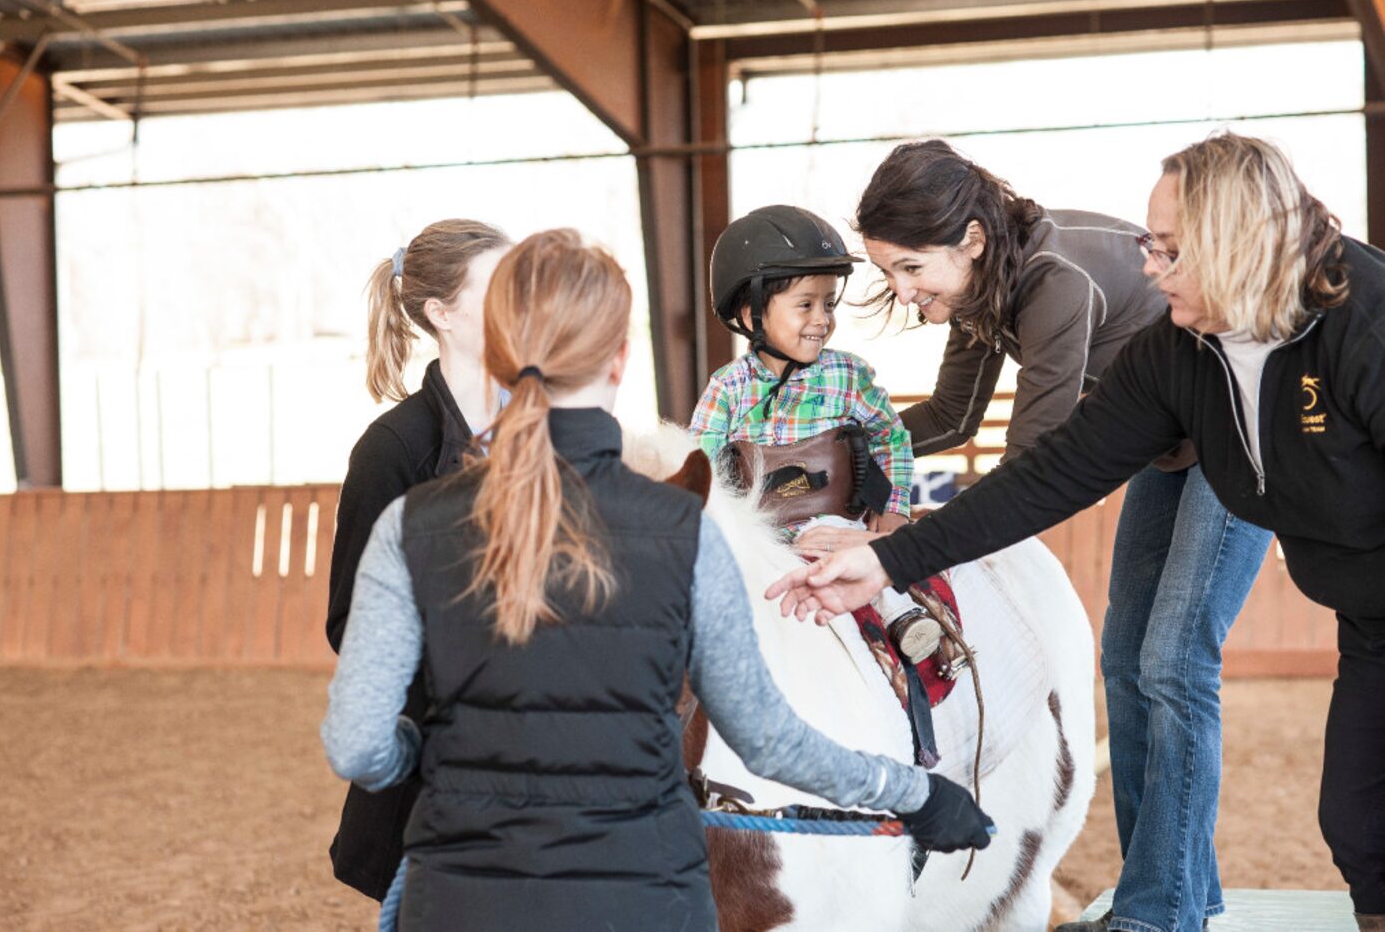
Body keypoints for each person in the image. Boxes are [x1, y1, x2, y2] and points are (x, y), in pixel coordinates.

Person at [765, 132, 1385, 932]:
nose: (1149, 267)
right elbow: (1054, 470)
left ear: (1235, 244)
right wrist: (886, 560)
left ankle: (1162, 906)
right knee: (1357, 825)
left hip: (1324, 554)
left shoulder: (1362, 323)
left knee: (1173, 660)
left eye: (1167, 250)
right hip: (1361, 610)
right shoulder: (1179, 354)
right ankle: (1168, 901)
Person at [321, 229, 994, 931]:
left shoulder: (411, 522)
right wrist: (915, 793)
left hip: (461, 893)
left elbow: (358, 746)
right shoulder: (685, 526)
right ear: (619, 360)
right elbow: (768, 739)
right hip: (640, 895)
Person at [325, 218, 511, 902]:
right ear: (442, 314)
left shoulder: (554, 424)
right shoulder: (391, 449)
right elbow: (352, 621)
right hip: (441, 766)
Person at [690, 204, 944, 661]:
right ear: (751, 314)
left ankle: (903, 618)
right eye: (805, 305)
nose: (822, 319)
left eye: (829, 304)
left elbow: (891, 437)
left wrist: (893, 509)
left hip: (834, 525)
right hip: (761, 534)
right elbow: (701, 467)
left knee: (858, 561)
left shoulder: (848, 375)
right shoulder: (728, 388)